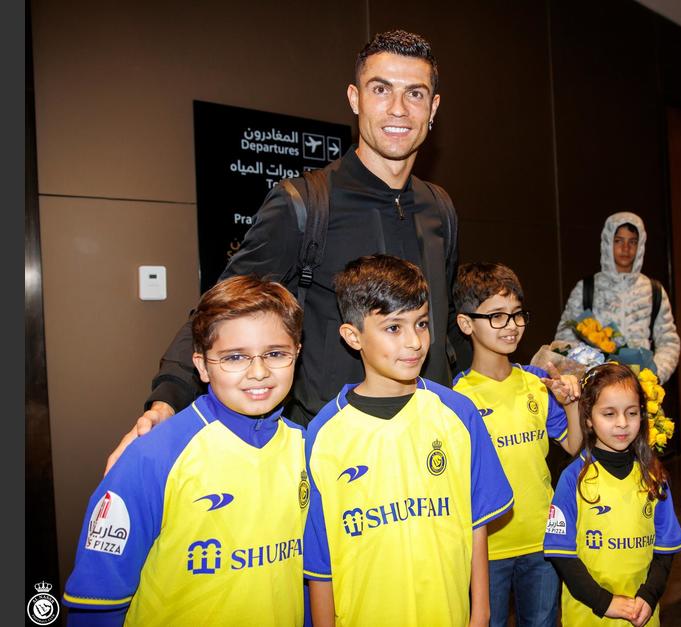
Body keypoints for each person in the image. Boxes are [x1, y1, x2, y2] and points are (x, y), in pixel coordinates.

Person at [107, 29, 466, 471]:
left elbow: (447, 328)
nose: (397, 109)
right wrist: (167, 400)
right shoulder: (303, 204)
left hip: (429, 448)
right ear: (355, 99)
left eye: (415, 93)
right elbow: (218, 313)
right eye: (380, 89)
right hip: (334, 460)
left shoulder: (439, 208)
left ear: (433, 108)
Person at [63, 276, 309, 626]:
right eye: (235, 357)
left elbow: (310, 579)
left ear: (296, 354)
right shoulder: (152, 456)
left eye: (275, 353)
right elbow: (97, 601)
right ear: (203, 366)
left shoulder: (304, 448)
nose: (259, 372)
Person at [303, 254, 514, 626]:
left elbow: (476, 524)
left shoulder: (459, 414)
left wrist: (480, 613)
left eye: (421, 324)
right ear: (353, 336)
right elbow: (320, 564)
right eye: (393, 328)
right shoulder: (324, 434)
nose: (415, 342)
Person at [451, 262, 583, 627]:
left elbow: (573, 446)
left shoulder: (538, 383)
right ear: (465, 324)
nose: (510, 326)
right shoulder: (457, 399)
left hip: (542, 543)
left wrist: (572, 404)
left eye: (516, 315)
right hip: (486, 550)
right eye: (496, 316)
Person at [543, 362, 681, 627]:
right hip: (590, 615)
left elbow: (665, 549)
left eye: (631, 413)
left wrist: (649, 595)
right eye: (609, 414)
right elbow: (561, 554)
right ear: (588, 417)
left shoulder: (655, 477)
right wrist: (604, 601)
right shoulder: (572, 479)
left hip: (641, 615)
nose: (622, 424)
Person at [554, 212, 680, 383]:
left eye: (632, 242)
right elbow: (565, 338)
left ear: (640, 245)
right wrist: (588, 373)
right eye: (618, 241)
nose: (625, 248)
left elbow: (669, 341)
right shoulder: (586, 289)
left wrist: (653, 376)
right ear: (607, 242)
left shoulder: (653, 290)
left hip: (642, 389)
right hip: (597, 387)